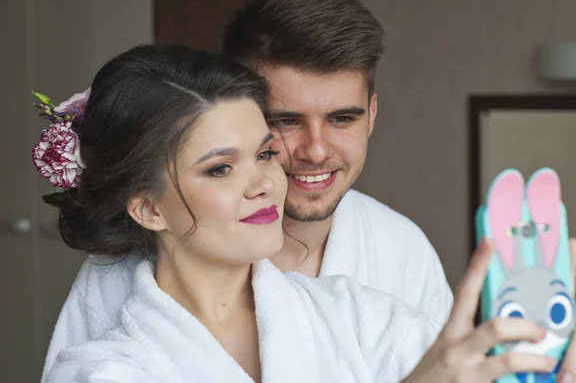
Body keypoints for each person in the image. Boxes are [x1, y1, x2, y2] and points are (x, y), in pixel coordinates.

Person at [42, 0, 576, 382]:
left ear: (373, 115)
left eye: (261, 153)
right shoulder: (105, 358)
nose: (304, 155)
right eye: (284, 123)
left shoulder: (360, 308)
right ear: (147, 209)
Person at [42, 43, 443, 382]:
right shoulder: (102, 371)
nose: (265, 183)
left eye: (265, 154)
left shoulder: (363, 318)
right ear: (148, 208)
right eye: (221, 169)